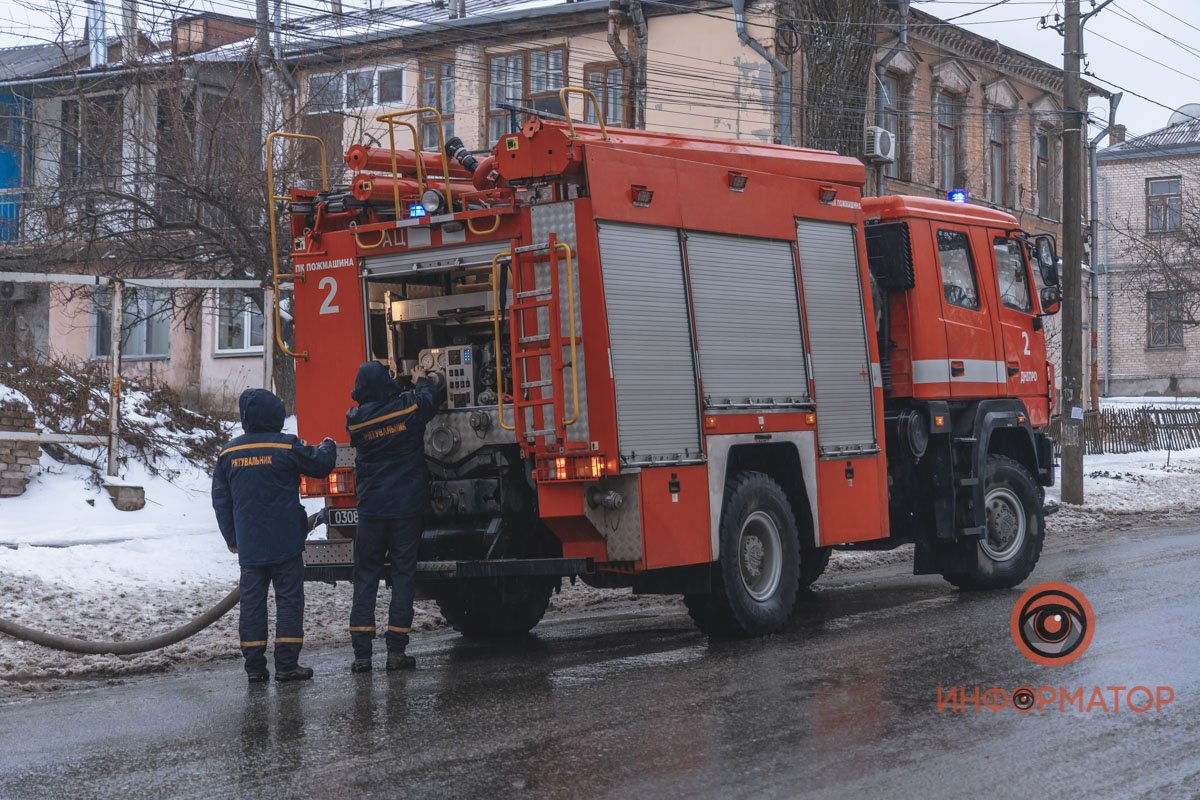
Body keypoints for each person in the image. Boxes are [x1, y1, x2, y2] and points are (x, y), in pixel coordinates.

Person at [212, 388, 336, 684]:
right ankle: (286, 665)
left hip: (250, 545)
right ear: (277, 415)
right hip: (286, 543)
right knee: (289, 602)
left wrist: (232, 538)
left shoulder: (229, 453)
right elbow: (321, 465)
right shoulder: (286, 446)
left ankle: (255, 668)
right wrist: (328, 445)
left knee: (252, 605)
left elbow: (221, 500)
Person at [345, 361, 444, 673]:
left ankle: (362, 656)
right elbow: (428, 402)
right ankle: (396, 653)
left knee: (366, 578)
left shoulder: (356, 421)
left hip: (371, 512)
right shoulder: (404, 410)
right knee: (403, 576)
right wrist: (421, 380)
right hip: (405, 510)